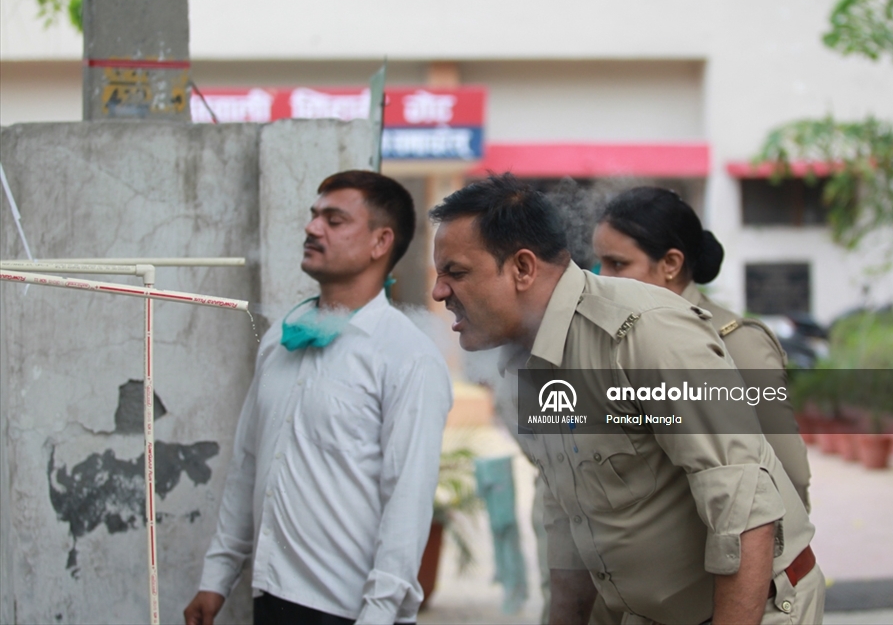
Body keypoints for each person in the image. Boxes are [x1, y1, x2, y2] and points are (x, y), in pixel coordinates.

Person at [429, 174, 823, 625]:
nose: (439, 292)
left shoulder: (645, 331)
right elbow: (568, 519)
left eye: (456, 272)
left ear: (522, 268)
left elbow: (745, 510)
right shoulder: (527, 363)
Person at [184, 170, 453, 625]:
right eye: (314, 216)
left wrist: (379, 613)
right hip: (269, 595)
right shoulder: (279, 338)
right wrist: (216, 578)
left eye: (334, 219)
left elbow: (407, 498)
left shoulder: (408, 356)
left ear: (380, 242)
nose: (312, 228)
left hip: (349, 611)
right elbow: (248, 463)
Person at [592, 187, 812, 510]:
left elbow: (790, 474)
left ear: (670, 263)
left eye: (617, 264)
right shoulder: (618, 341)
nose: (601, 278)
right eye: (599, 264)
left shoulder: (735, 343)